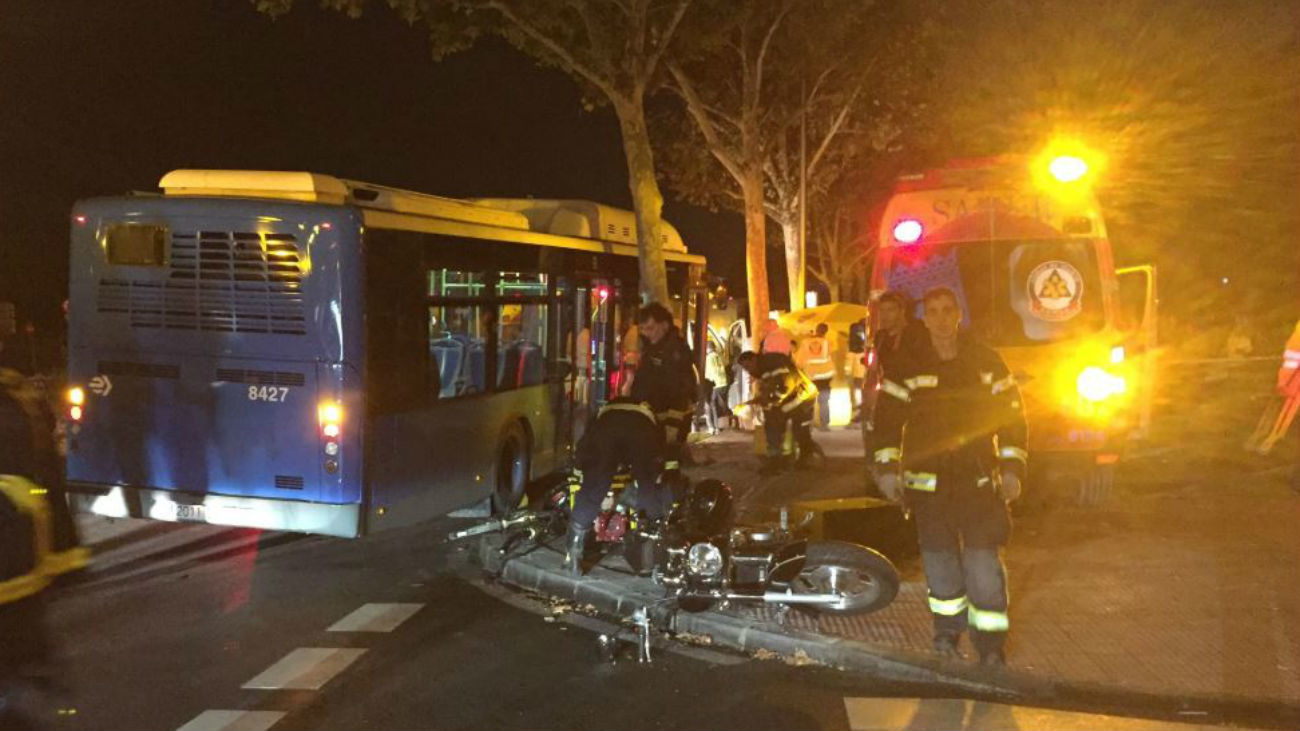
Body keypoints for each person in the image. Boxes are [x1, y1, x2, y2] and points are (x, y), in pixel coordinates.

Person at [868, 288, 1028, 666]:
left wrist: (1012, 468)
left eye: (947, 310)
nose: (941, 318)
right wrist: (888, 471)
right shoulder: (907, 365)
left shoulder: (985, 362)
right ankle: (946, 635)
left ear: (959, 314)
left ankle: (990, 647)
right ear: (923, 319)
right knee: (940, 568)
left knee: (983, 567)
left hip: (978, 485)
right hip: (929, 488)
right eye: (933, 312)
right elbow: (886, 425)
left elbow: (1012, 419)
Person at [564, 398, 669, 577]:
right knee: (648, 486)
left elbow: (586, 447)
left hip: (607, 431)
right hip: (641, 432)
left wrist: (581, 471)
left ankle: (572, 558)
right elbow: (658, 453)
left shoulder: (602, 414)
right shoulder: (649, 414)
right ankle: (655, 556)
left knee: (593, 488)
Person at [628, 303, 697, 471]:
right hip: (654, 419)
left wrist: (672, 426)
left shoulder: (675, 352)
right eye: (643, 329)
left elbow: (680, 390)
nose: (646, 333)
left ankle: (671, 492)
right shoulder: (654, 349)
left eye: (650, 328)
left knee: (668, 464)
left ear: (665, 326)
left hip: (670, 420)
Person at [737, 350, 822, 475]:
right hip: (790, 398)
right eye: (745, 368)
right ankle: (779, 460)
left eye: (748, 366)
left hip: (802, 397)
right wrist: (755, 402)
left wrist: (771, 402)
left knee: (798, 430)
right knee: (773, 424)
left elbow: (784, 387)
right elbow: (768, 390)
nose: (748, 370)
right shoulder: (763, 368)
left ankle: (803, 458)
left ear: (754, 359)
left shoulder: (774, 366)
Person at [795, 323, 836, 430]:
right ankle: (824, 424)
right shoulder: (827, 343)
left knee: (809, 401)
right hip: (825, 376)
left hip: (810, 376)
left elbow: (799, 360)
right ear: (825, 332)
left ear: (816, 330)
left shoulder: (805, 342)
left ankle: (809, 423)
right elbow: (831, 355)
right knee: (824, 401)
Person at [702, 340, 729, 434]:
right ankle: (722, 424)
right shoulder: (718, 356)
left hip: (714, 383)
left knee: (711, 405)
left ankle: (714, 427)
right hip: (723, 382)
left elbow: (707, 373)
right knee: (719, 405)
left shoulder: (708, 358)